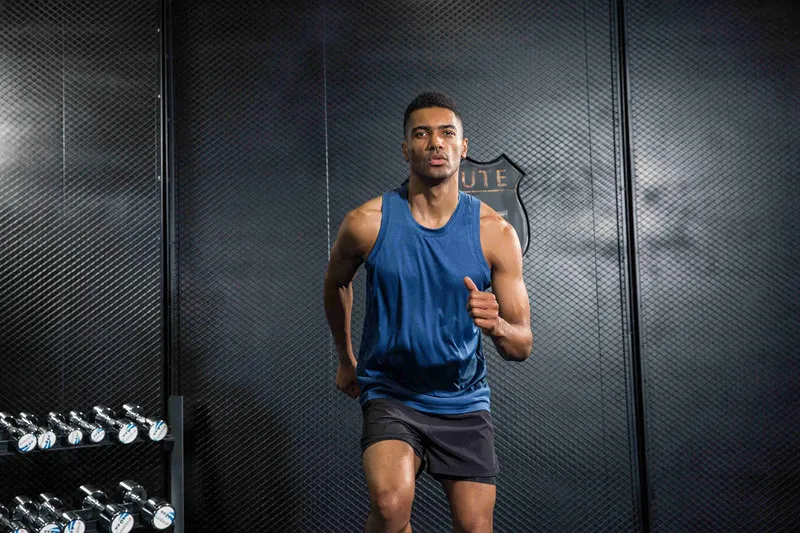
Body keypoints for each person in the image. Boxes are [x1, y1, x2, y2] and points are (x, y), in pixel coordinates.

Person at [323, 91, 532, 533]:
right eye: (422, 134)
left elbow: (522, 345)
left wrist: (496, 325)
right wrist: (345, 359)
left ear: (463, 146)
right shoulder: (367, 222)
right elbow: (336, 282)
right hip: (392, 393)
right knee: (390, 505)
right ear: (406, 148)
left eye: (446, 133)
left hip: (463, 398)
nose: (435, 142)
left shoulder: (495, 233)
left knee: (475, 527)